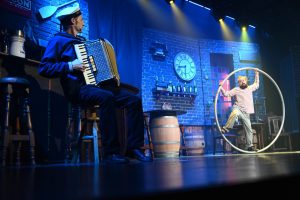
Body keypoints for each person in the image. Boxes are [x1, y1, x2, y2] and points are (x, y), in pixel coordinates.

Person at [38, 3, 152, 163]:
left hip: (97, 87)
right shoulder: (57, 41)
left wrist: (112, 76)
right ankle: (111, 153)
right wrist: (71, 65)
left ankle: (134, 148)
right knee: (106, 98)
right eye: (81, 19)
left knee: (134, 100)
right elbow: (44, 68)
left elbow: (97, 68)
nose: (83, 22)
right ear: (73, 21)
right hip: (78, 89)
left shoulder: (83, 42)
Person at [219, 69, 259, 151]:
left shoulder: (250, 88)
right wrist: (221, 87)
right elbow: (226, 94)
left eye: (244, 80)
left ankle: (249, 146)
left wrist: (257, 73)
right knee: (235, 112)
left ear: (246, 81)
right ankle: (226, 128)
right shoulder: (236, 89)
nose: (243, 82)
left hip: (246, 113)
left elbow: (256, 84)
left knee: (249, 129)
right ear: (239, 83)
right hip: (238, 109)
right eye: (240, 81)